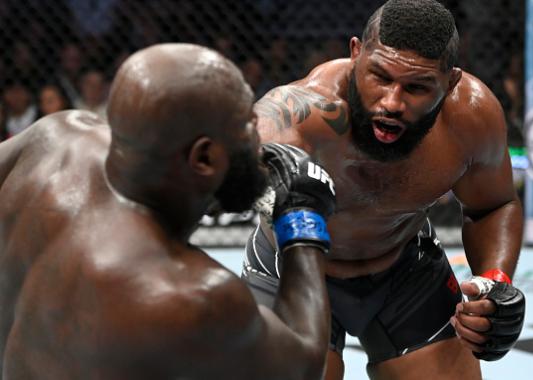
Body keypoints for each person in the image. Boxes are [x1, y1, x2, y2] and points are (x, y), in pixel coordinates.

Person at [0, 43, 336, 379]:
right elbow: (303, 366)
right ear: (203, 158)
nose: (260, 137)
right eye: (247, 123)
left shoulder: (54, 138)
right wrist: (302, 217)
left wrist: (210, 191)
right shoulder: (191, 294)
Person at [241, 1, 526, 379]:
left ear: (450, 82)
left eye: (416, 87)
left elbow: (493, 205)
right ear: (356, 53)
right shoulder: (305, 113)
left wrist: (495, 283)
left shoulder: (470, 117)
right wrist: (272, 180)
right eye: (380, 77)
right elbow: (257, 147)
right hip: (295, 267)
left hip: (404, 267)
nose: (392, 102)